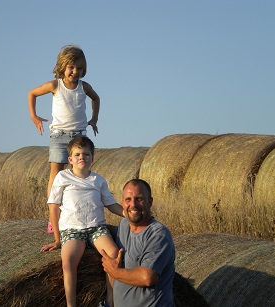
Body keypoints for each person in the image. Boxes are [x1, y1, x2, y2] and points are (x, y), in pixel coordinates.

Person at [41, 136, 123, 307]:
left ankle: (110, 302)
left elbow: (112, 205)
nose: (82, 157)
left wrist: (129, 214)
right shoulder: (62, 177)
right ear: (70, 159)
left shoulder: (98, 181)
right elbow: (54, 208)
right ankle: (72, 305)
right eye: (77, 154)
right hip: (72, 230)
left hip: (96, 228)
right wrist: (58, 239)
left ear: (92, 158)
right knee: (68, 259)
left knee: (114, 254)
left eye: (86, 154)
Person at [28, 45, 100, 233]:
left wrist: (94, 119)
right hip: (59, 135)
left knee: (78, 176)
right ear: (62, 66)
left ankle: (75, 215)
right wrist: (34, 116)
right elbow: (32, 93)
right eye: (71, 67)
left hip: (78, 137)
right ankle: (53, 218)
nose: (75, 72)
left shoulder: (84, 87)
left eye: (79, 68)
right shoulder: (55, 85)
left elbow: (96, 98)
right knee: (56, 175)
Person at [101, 179, 176, 307]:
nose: (133, 204)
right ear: (122, 202)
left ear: (150, 202)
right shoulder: (124, 225)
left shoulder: (158, 235)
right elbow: (107, 231)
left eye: (139, 199)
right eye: (128, 199)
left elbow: (148, 277)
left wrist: (115, 272)